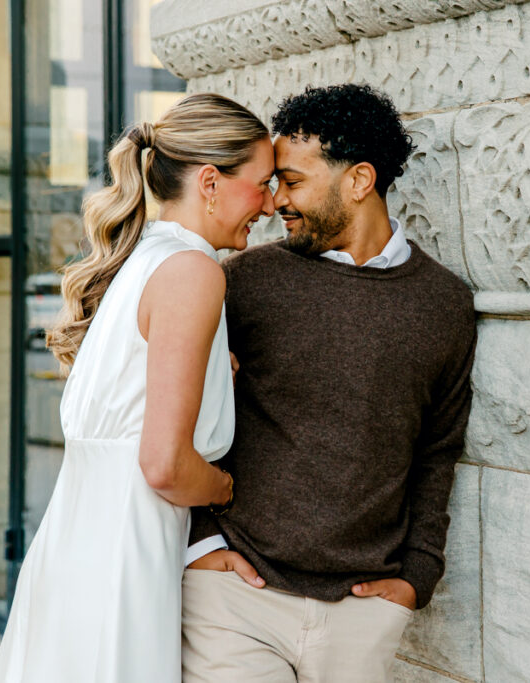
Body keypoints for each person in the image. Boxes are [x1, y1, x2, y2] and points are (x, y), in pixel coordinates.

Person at [181, 84, 477, 682]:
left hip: (362, 611)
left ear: (359, 181)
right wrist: (204, 543)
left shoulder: (444, 303)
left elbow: (438, 448)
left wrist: (418, 575)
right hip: (236, 595)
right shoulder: (241, 282)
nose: (274, 203)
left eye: (291, 182)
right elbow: (172, 414)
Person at [0, 93, 275, 683]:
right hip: (125, 557)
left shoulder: (142, 260)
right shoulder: (193, 273)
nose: (270, 204)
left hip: (73, 548)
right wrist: (225, 490)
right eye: (262, 183)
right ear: (210, 182)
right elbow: (165, 465)